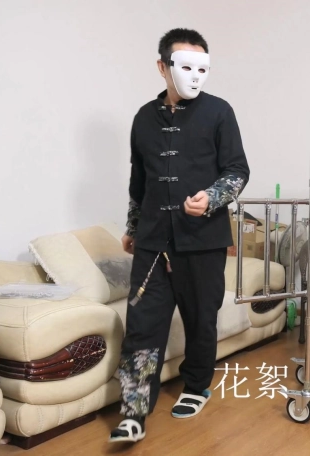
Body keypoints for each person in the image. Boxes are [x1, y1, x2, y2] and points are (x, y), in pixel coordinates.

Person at [109, 28, 250, 444]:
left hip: (202, 238)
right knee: (141, 325)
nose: (195, 76)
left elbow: (238, 171)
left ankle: (197, 386)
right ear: (163, 67)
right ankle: (134, 411)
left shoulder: (219, 112)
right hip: (153, 241)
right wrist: (133, 227)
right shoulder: (143, 118)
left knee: (201, 319)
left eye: (202, 68)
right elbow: (139, 182)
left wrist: (212, 197)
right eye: (186, 66)